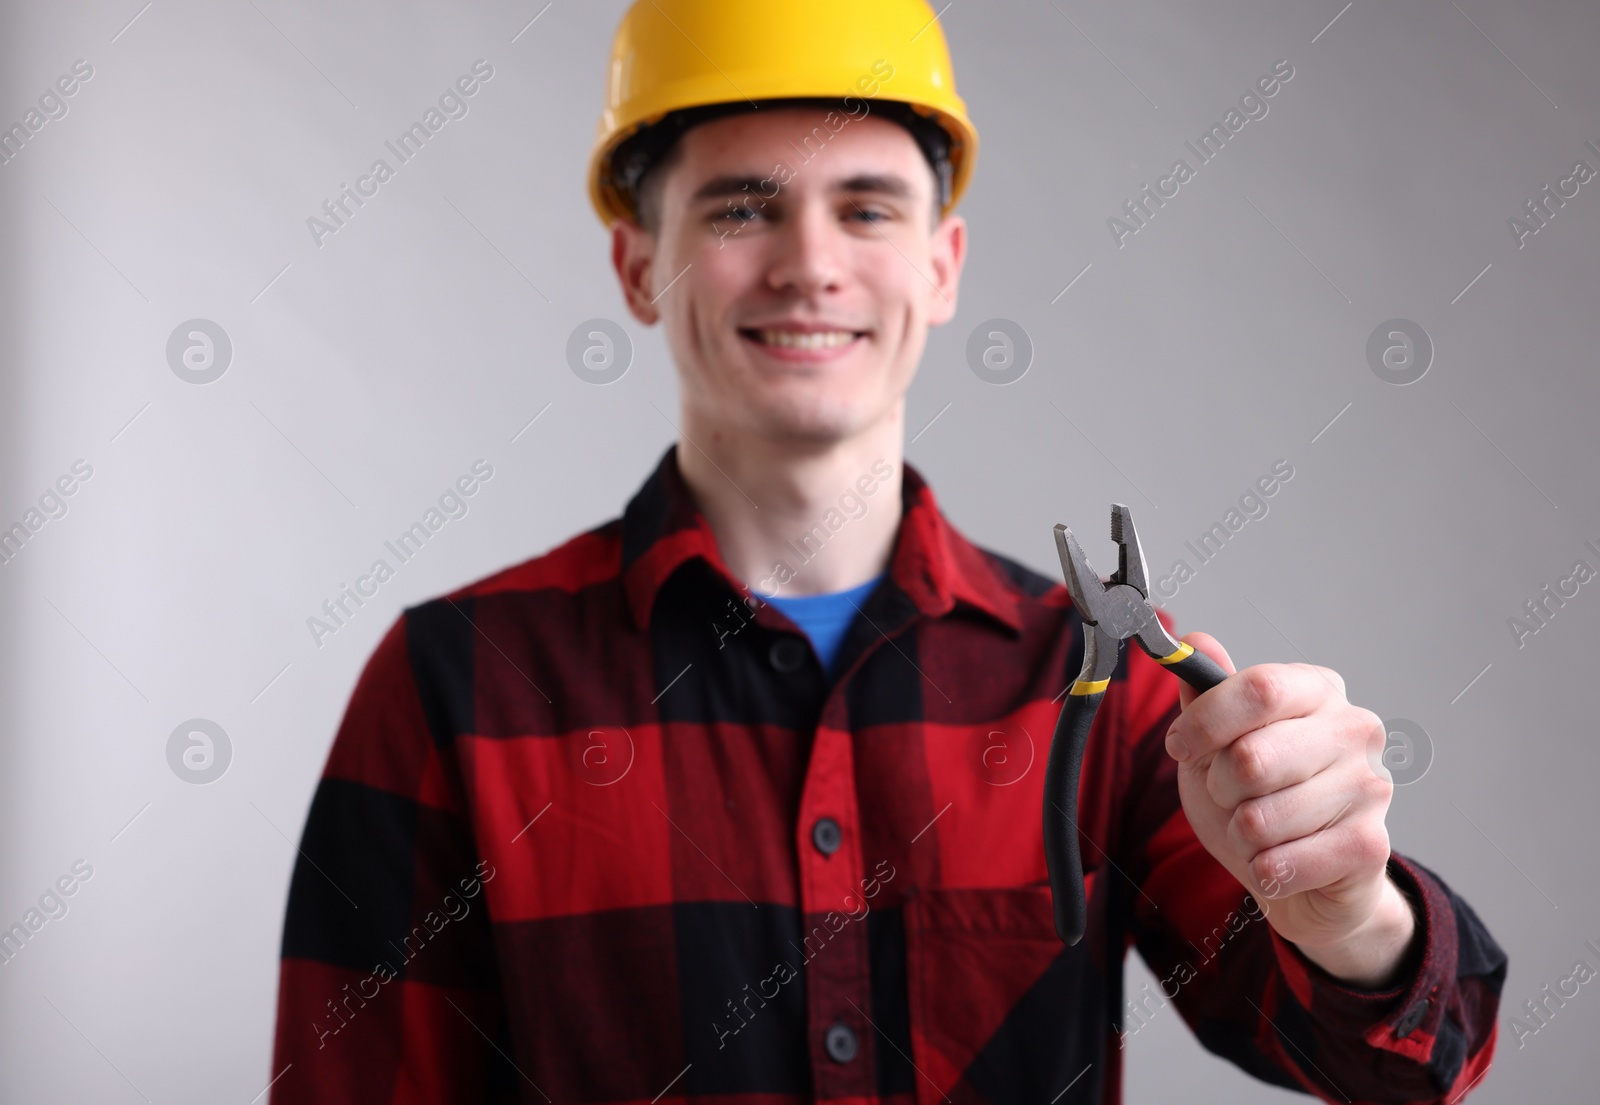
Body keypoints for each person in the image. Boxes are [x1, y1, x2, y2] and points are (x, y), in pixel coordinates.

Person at [269, 2, 1506, 1101]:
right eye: (741, 207)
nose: (810, 264)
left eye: (866, 208)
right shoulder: (452, 682)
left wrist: (1347, 910)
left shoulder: (1109, 689)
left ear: (941, 263)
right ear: (640, 265)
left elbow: (1399, 1069)